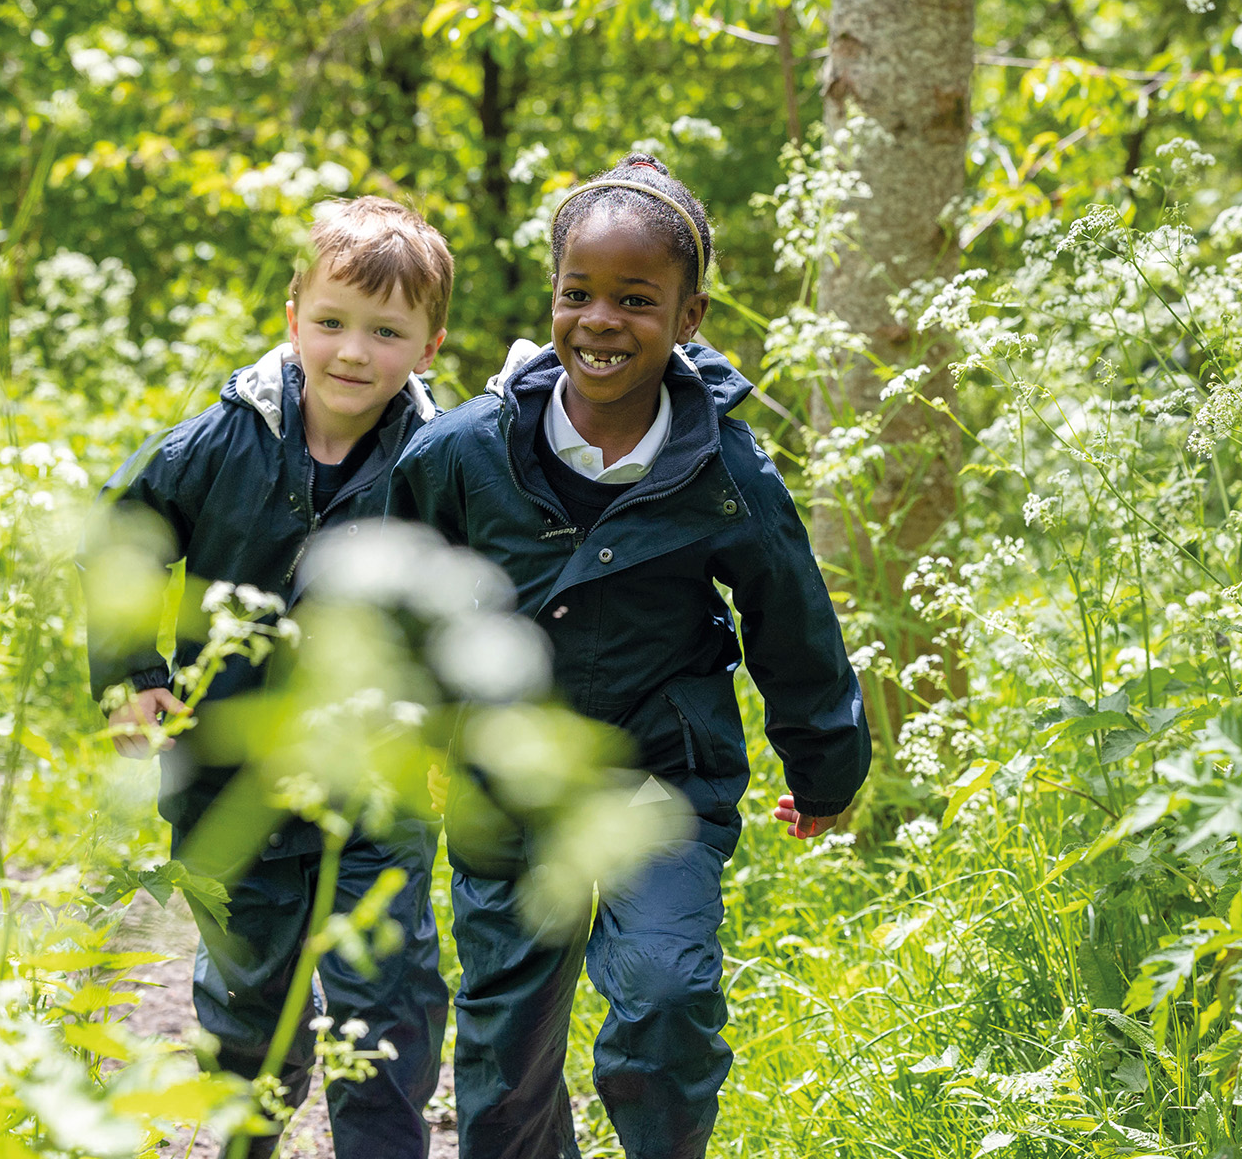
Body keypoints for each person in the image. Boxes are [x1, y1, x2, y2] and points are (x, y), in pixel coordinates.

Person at [390, 154, 871, 1159]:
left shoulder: (727, 468)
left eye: (636, 299)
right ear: (552, 298)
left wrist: (825, 767)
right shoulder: (465, 450)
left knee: (667, 995)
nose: (601, 320)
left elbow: (792, 619)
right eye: (580, 294)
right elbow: (405, 595)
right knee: (506, 1041)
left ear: (690, 316)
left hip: (662, 772)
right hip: (506, 782)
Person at [83, 196, 453, 1159]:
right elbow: (121, 534)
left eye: (386, 332)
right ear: (293, 317)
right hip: (226, 772)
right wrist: (133, 673)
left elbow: (473, 603)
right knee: (250, 1008)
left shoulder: (441, 457)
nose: (352, 352)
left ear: (428, 346)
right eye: (331, 322)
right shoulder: (222, 439)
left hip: (378, 776)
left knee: (386, 999)